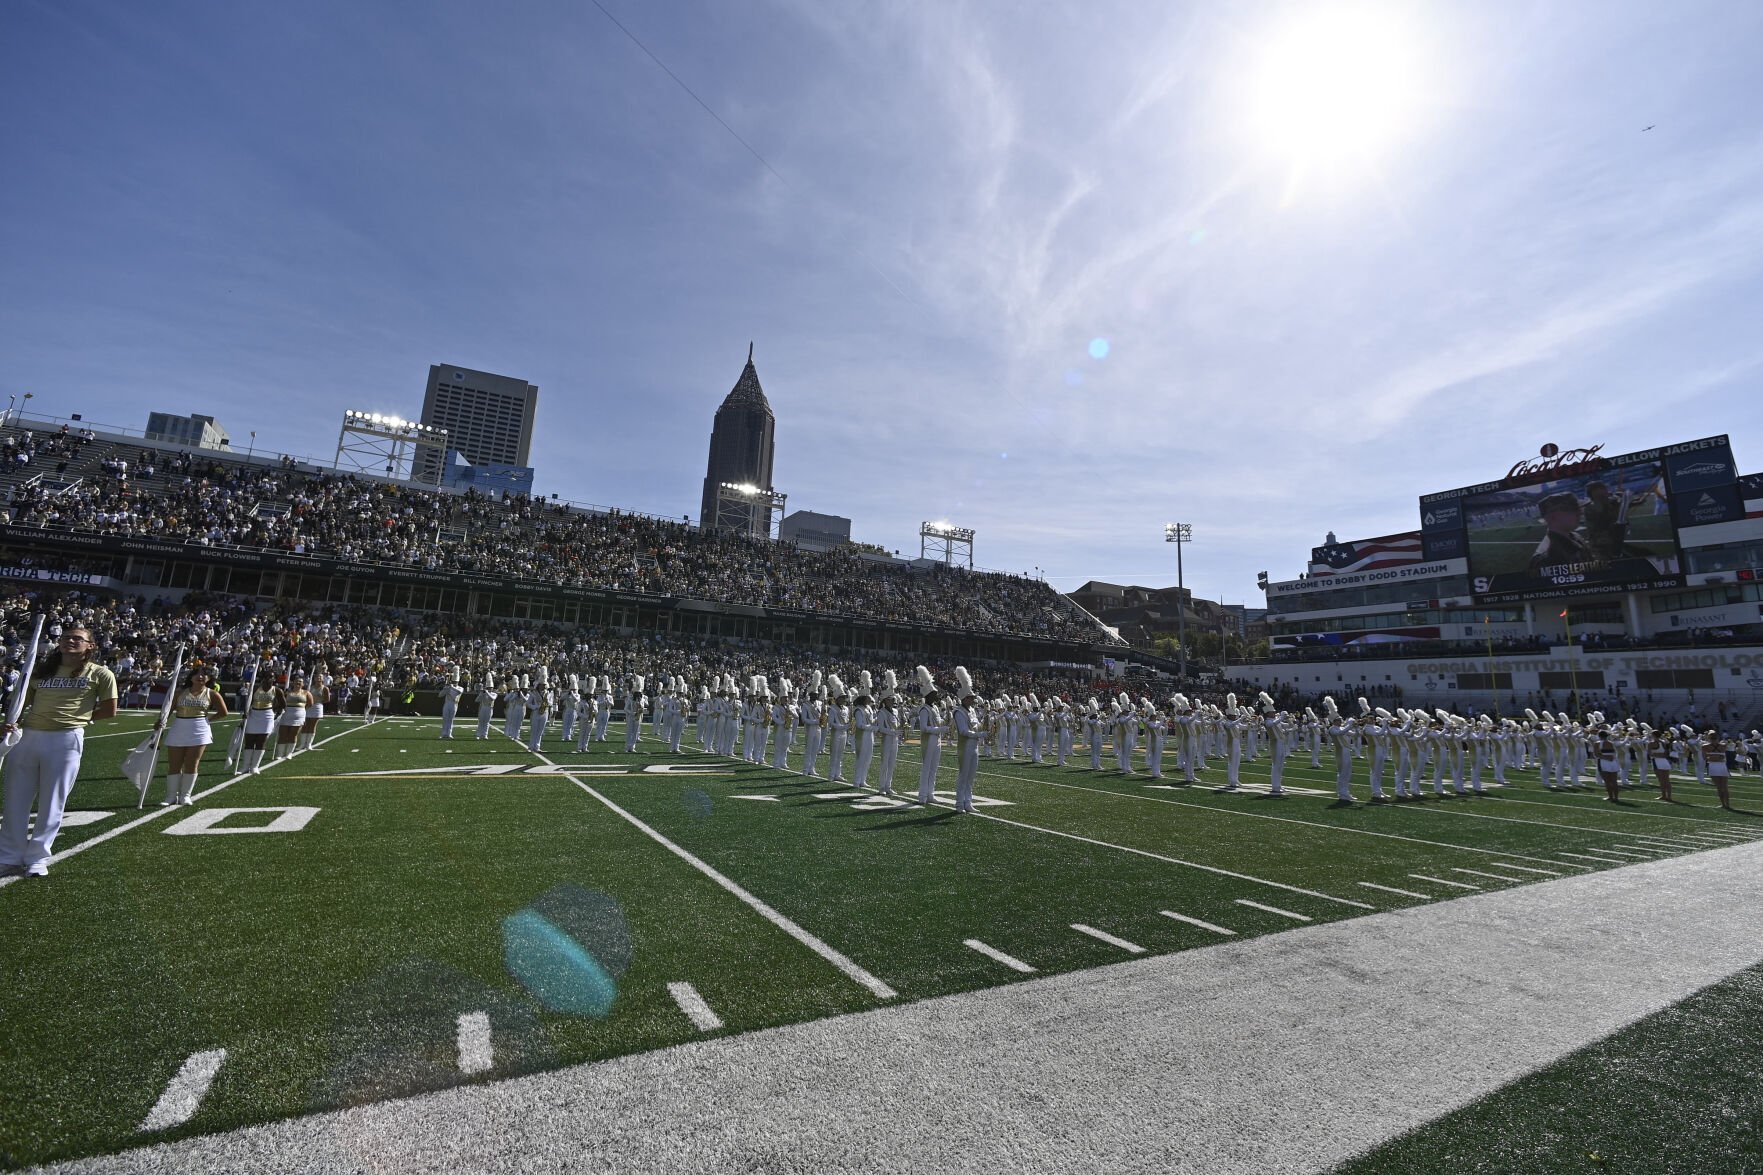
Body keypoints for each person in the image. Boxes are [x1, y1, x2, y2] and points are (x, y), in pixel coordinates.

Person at [0, 625, 119, 878]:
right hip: (28, 737)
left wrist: (81, 719)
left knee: (53, 801)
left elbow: (110, 709)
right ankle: (9, 856)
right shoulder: (40, 670)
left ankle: (37, 858)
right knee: (15, 799)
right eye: (66, 637)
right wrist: (11, 721)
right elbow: (20, 705)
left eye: (78, 638)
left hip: (66, 739)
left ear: (91, 645)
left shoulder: (101, 673)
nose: (70, 641)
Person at [158, 664, 228, 806]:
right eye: (197, 674)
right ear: (191, 677)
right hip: (179, 727)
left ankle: (185, 796)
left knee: (192, 763)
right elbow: (168, 709)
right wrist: (160, 722)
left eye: (204, 674)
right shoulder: (179, 692)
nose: (200, 676)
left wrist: (207, 720)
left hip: (199, 730)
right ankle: (171, 796)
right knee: (174, 764)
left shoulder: (212, 693)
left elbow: (223, 712)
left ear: (209, 679)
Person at [1527, 492, 1596, 571]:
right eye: (1572, 510)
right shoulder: (1545, 558)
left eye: (1578, 508)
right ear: (1553, 517)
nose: (1580, 513)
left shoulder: (1575, 536)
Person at [239, 668, 279, 773]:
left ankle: (255, 766)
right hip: (254, 715)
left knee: (261, 740)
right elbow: (248, 702)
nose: (268, 679)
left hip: (267, 716)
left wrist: (275, 715)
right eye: (266, 677)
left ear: (274, 679)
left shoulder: (277, 690)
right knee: (249, 741)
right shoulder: (255, 688)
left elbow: (282, 705)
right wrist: (245, 713)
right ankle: (245, 766)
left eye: (270, 677)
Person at [272, 674, 311, 761]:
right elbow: (281, 701)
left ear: (303, 684)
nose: (298, 683)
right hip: (287, 714)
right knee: (283, 734)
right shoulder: (287, 692)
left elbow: (310, 703)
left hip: (299, 715)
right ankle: (279, 754)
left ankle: (289, 753)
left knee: (293, 734)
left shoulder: (306, 693)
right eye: (296, 681)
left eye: (300, 682)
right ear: (293, 682)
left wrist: (301, 710)